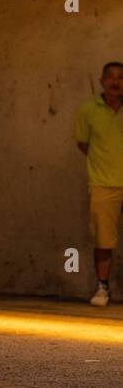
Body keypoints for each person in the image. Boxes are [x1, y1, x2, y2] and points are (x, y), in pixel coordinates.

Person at [74, 60, 123, 306]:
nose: (116, 81)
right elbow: (83, 143)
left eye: (121, 77)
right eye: (111, 77)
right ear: (102, 80)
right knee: (104, 239)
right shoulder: (88, 109)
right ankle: (102, 288)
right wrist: (104, 164)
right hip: (103, 184)